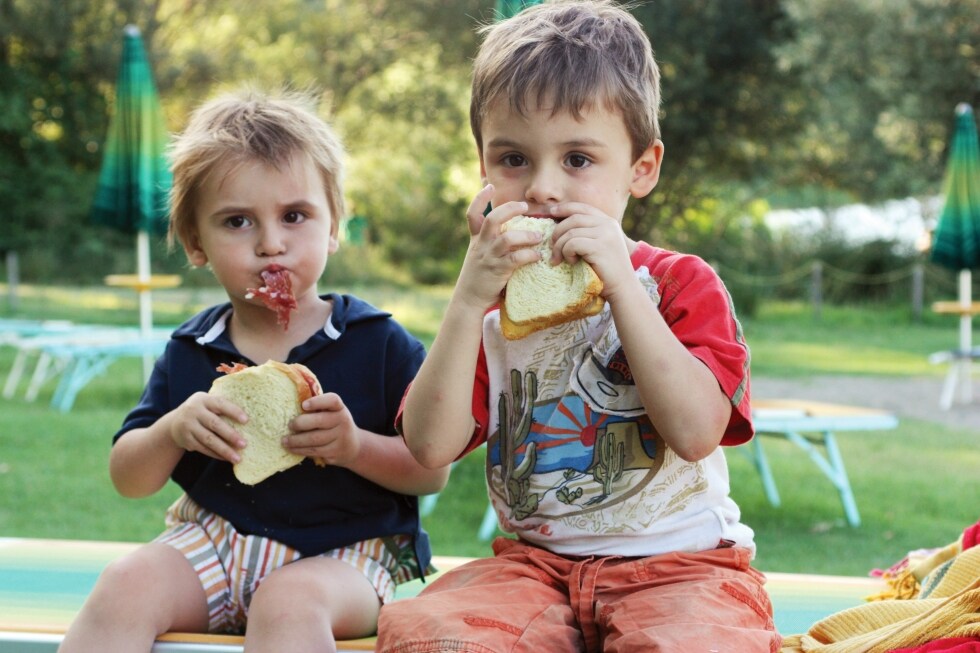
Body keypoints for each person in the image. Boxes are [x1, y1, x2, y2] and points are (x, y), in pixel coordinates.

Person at [376, 1, 780, 651]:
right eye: (513, 158)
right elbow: (429, 443)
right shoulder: (492, 303)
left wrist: (621, 284)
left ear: (641, 167)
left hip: (682, 568)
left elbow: (697, 430)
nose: (542, 188)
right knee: (433, 631)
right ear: (482, 164)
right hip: (532, 568)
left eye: (578, 160)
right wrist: (465, 299)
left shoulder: (680, 284)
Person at [59, 89, 449, 653]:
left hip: (344, 556)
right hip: (214, 543)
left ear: (333, 225)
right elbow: (129, 478)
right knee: (125, 583)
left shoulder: (380, 342)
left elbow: (430, 472)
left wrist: (353, 446)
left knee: (288, 604)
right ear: (197, 244)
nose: (271, 244)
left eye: (295, 216)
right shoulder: (194, 346)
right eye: (237, 221)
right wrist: (172, 430)